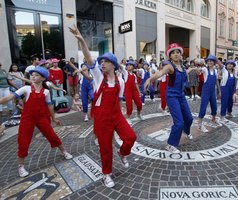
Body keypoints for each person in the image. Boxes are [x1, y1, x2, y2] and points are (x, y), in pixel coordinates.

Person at [70, 25, 136, 188]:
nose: (103, 63)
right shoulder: (99, 76)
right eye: (102, 61)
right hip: (102, 117)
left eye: (106, 61)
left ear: (113, 64)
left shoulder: (120, 81)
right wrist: (82, 40)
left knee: (131, 137)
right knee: (105, 148)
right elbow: (90, 59)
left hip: (116, 115)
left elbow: (119, 100)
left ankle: (122, 153)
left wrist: (121, 115)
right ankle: (107, 174)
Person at [0, 67, 72, 177]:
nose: (33, 76)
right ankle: (21, 166)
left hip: (42, 117)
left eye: (36, 75)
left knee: (52, 135)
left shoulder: (46, 91)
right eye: (32, 75)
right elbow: (10, 97)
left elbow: (50, 106)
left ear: (43, 78)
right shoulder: (26, 89)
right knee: (23, 141)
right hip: (27, 118)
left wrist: (53, 118)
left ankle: (64, 151)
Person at [144, 43, 193, 153]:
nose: (176, 54)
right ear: (170, 56)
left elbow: (186, 72)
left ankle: (186, 131)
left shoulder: (183, 67)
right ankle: (170, 144)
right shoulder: (170, 66)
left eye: (178, 52)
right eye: (173, 53)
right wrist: (149, 79)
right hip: (172, 96)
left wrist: (194, 70)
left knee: (189, 118)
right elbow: (159, 73)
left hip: (181, 95)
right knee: (179, 122)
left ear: (181, 55)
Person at [198, 55, 221, 133]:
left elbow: (216, 81)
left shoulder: (215, 71)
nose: (210, 62)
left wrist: (219, 91)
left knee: (214, 105)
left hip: (212, 91)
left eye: (212, 61)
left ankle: (214, 118)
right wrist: (199, 68)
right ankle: (200, 124)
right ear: (207, 62)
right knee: (203, 107)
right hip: (205, 91)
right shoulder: (205, 69)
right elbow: (199, 72)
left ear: (214, 62)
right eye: (209, 61)